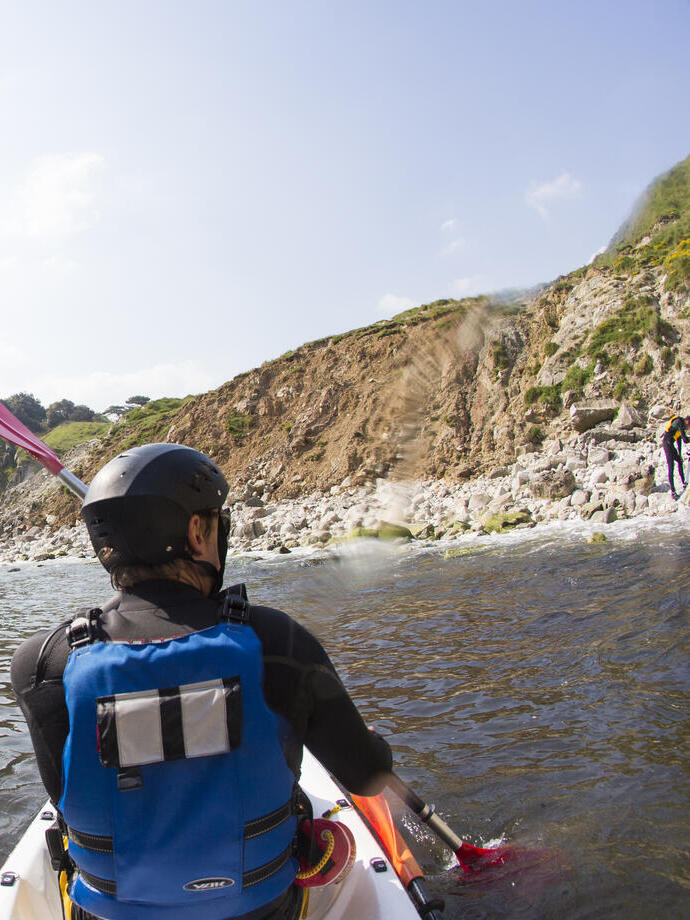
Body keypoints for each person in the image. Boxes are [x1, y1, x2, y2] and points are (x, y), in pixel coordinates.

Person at [11, 443, 392, 920]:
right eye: (216, 520)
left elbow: (62, 797)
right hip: (261, 908)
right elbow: (367, 777)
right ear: (196, 532)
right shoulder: (278, 642)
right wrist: (374, 748)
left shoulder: (42, 663)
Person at [662, 413, 690, 499]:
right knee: (671, 467)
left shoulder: (679, 426)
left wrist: (679, 454)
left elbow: (679, 442)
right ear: (688, 422)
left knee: (680, 461)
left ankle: (683, 483)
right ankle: (673, 492)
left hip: (671, 445)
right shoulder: (679, 422)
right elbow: (685, 439)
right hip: (667, 444)